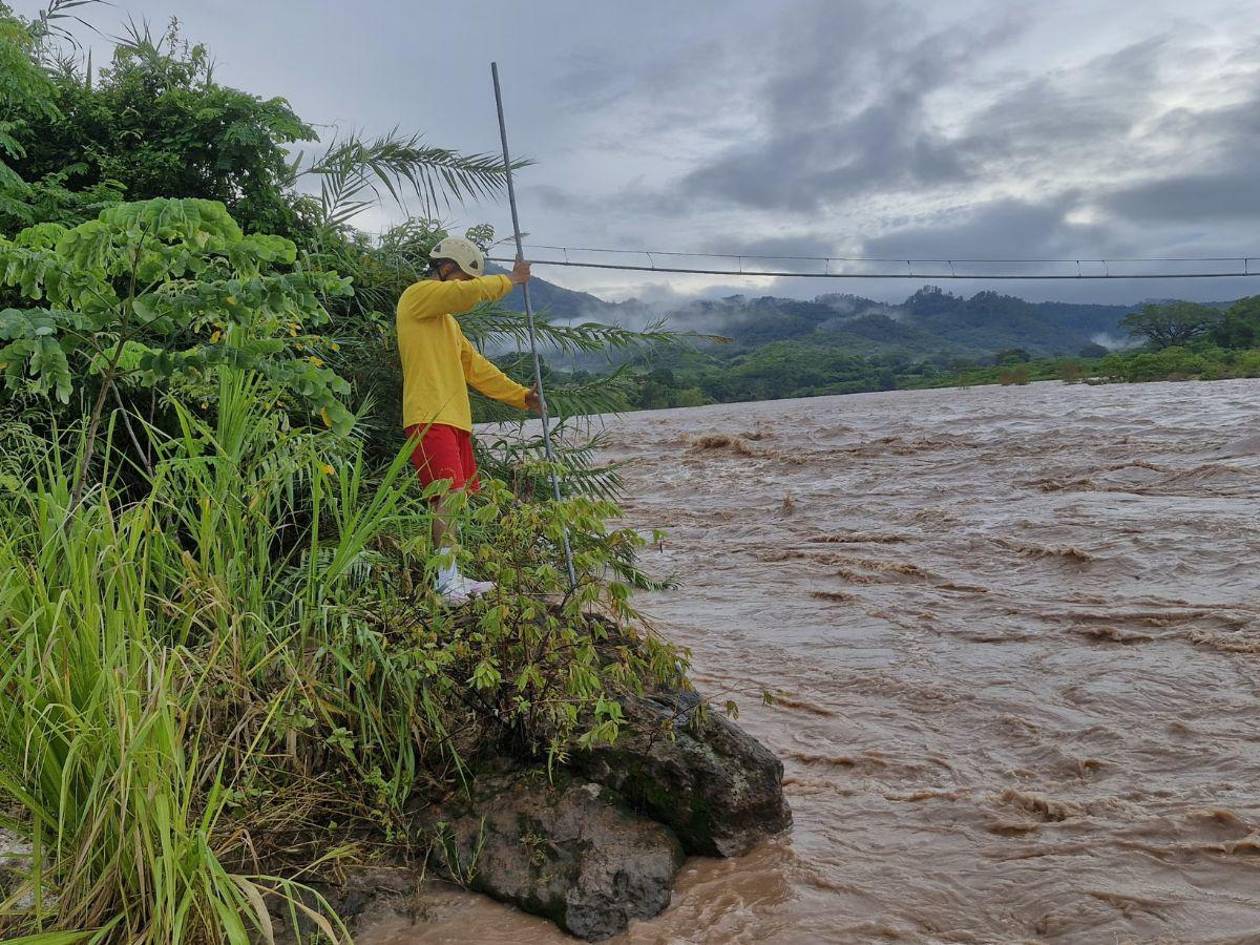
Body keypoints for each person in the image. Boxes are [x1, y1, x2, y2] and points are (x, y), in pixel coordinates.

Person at [396, 235, 541, 602]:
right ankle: (445, 582)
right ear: (445, 270)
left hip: (454, 418)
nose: (464, 287)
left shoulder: (448, 325)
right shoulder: (417, 296)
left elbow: (477, 369)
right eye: (461, 277)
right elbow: (464, 296)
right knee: (448, 495)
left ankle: (453, 574)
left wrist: (521, 397)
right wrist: (512, 281)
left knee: (455, 499)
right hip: (429, 414)